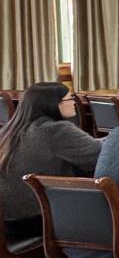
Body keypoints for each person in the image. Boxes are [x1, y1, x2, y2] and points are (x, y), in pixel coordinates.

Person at [0, 83, 102, 240]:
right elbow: (98, 157)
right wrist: (118, 138)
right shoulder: (55, 130)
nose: (74, 103)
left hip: (9, 223)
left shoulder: (9, 131)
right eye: (69, 99)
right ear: (53, 105)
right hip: (38, 219)